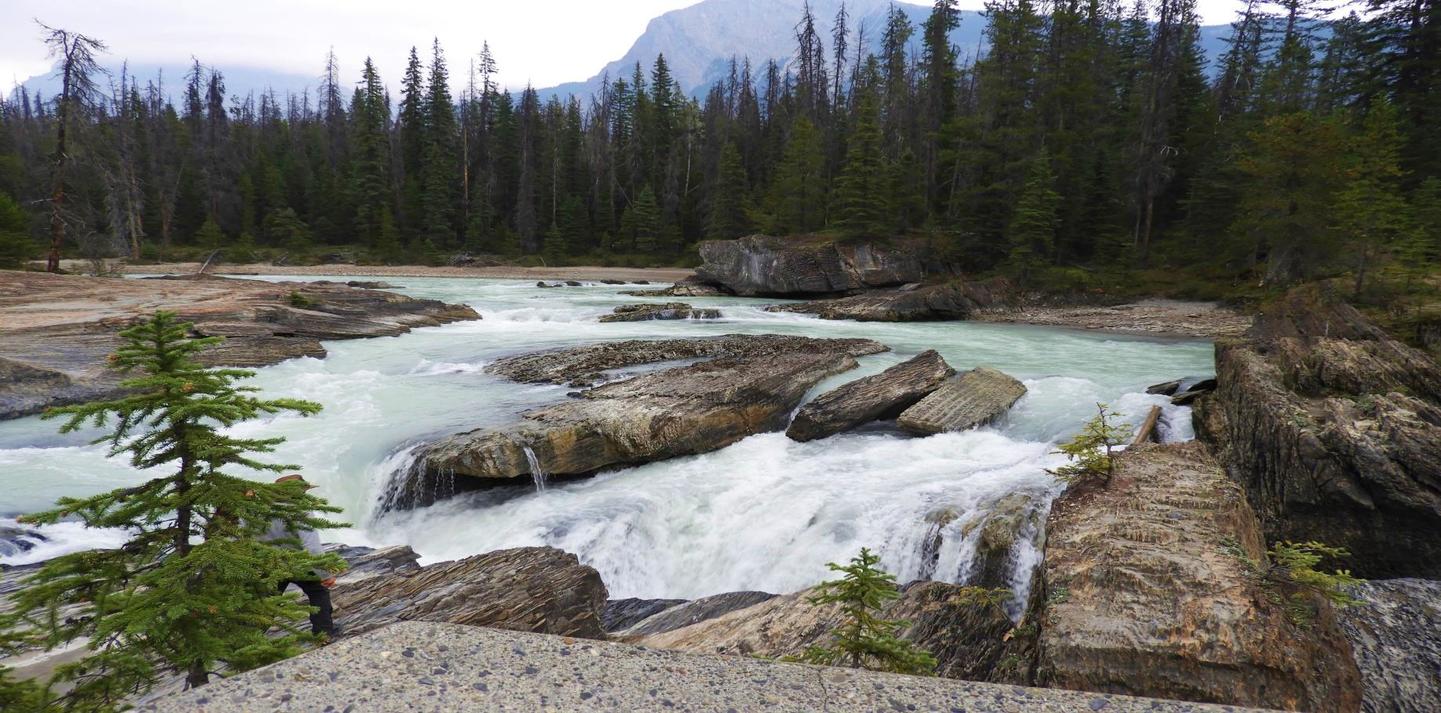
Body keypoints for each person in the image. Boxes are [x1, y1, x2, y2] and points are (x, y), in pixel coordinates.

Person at [259, 474, 337, 639]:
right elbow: (312, 547)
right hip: (300, 563)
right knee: (318, 593)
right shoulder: (301, 510)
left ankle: (246, 642)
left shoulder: (260, 509)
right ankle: (323, 635)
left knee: (267, 603)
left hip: (271, 563)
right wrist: (325, 573)